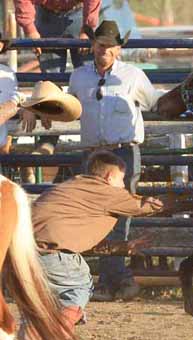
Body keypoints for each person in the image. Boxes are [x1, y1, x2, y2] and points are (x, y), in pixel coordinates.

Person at [19, 150, 189, 340]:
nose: (123, 186)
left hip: (23, 254)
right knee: (77, 288)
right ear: (109, 177)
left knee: (38, 302)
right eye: (121, 179)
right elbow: (145, 205)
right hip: (52, 254)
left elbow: (75, 238)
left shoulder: (71, 189)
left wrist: (122, 247)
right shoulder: (105, 191)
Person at [67, 20, 162, 302]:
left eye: (109, 46)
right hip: (96, 152)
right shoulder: (80, 77)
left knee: (118, 214)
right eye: (100, 45)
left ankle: (111, 278)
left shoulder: (133, 76)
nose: (104, 50)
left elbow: (153, 102)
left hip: (120, 151)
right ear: (92, 46)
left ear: (118, 49)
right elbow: (69, 107)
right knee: (94, 215)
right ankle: (114, 278)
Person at [14, 0, 100, 182]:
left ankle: (94, 143)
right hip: (48, 14)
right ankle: (48, 144)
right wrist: (30, 29)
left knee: (88, 82)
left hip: (77, 13)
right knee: (53, 87)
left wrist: (87, 26)